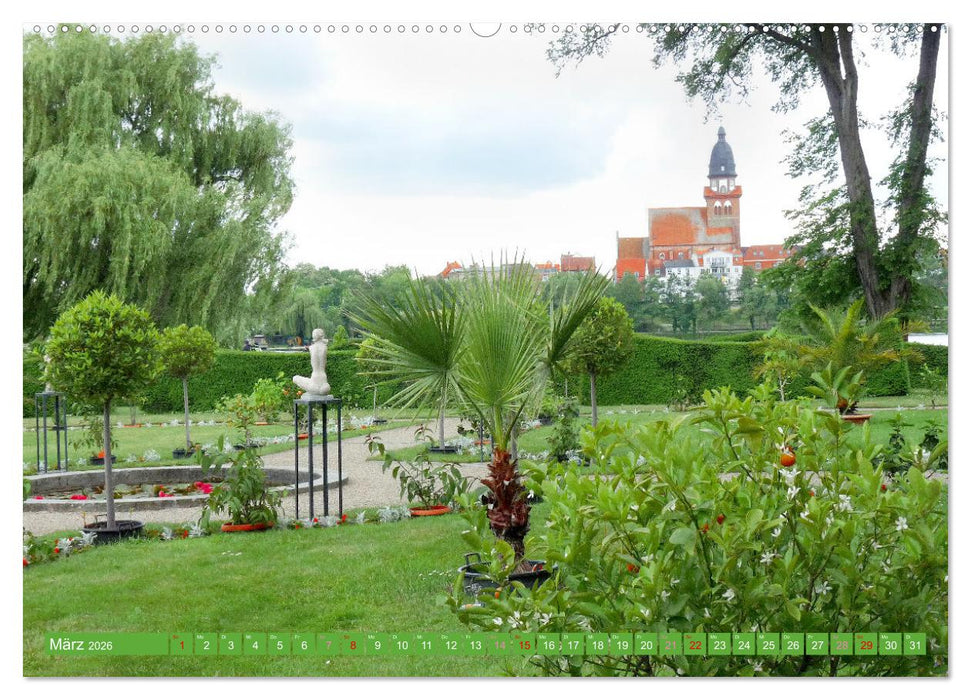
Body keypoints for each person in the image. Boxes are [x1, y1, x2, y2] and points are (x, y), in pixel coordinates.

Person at [293, 328, 331, 397]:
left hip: (314, 381)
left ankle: (315, 390)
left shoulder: (312, 348)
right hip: (324, 382)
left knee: (295, 378)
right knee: (323, 388)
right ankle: (321, 390)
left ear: (314, 336)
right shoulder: (324, 347)